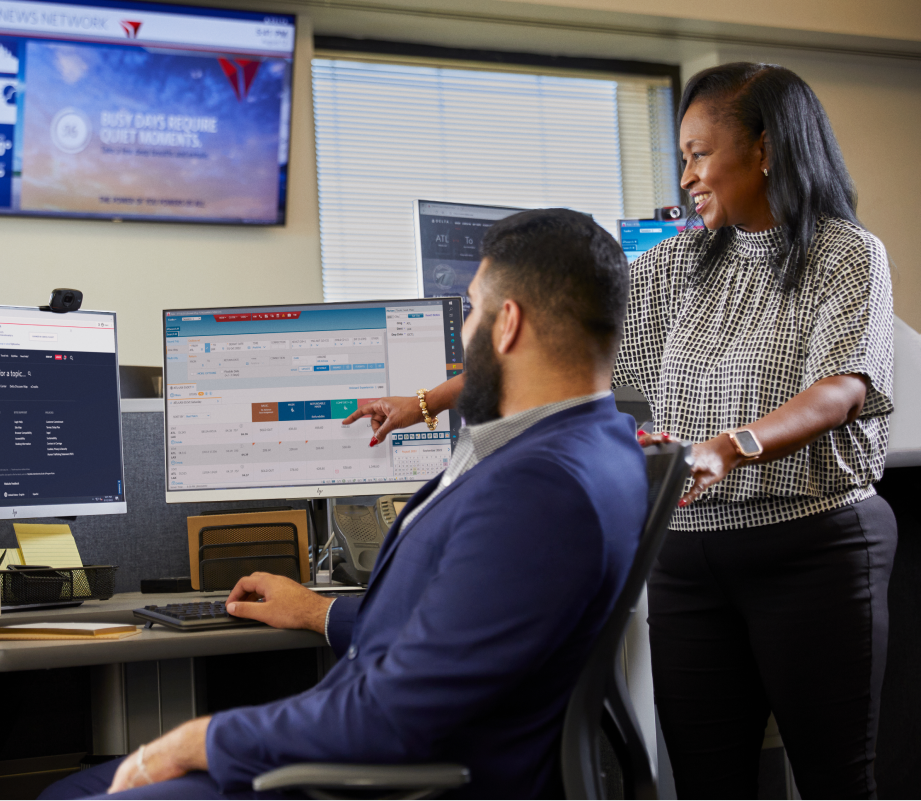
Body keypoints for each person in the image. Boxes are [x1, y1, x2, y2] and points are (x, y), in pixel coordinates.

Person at [351, 63, 896, 799]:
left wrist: (731, 446)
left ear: (766, 148)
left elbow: (842, 387)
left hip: (811, 546)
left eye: (701, 153)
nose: (689, 175)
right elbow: (555, 341)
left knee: (837, 780)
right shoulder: (681, 265)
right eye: (682, 158)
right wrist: (424, 400)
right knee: (705, 782)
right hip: (690, 555)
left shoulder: (845, 253)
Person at [38, 208, 648, 801]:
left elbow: (394, 716)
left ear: (506, 324)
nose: (463, 335)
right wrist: (319, 612)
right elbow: (466, 635)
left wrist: (205, 738)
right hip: (377, 754)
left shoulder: (539, 487)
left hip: (380, 778)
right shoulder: (595, 444)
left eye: (470, 311)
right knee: (69, 789)